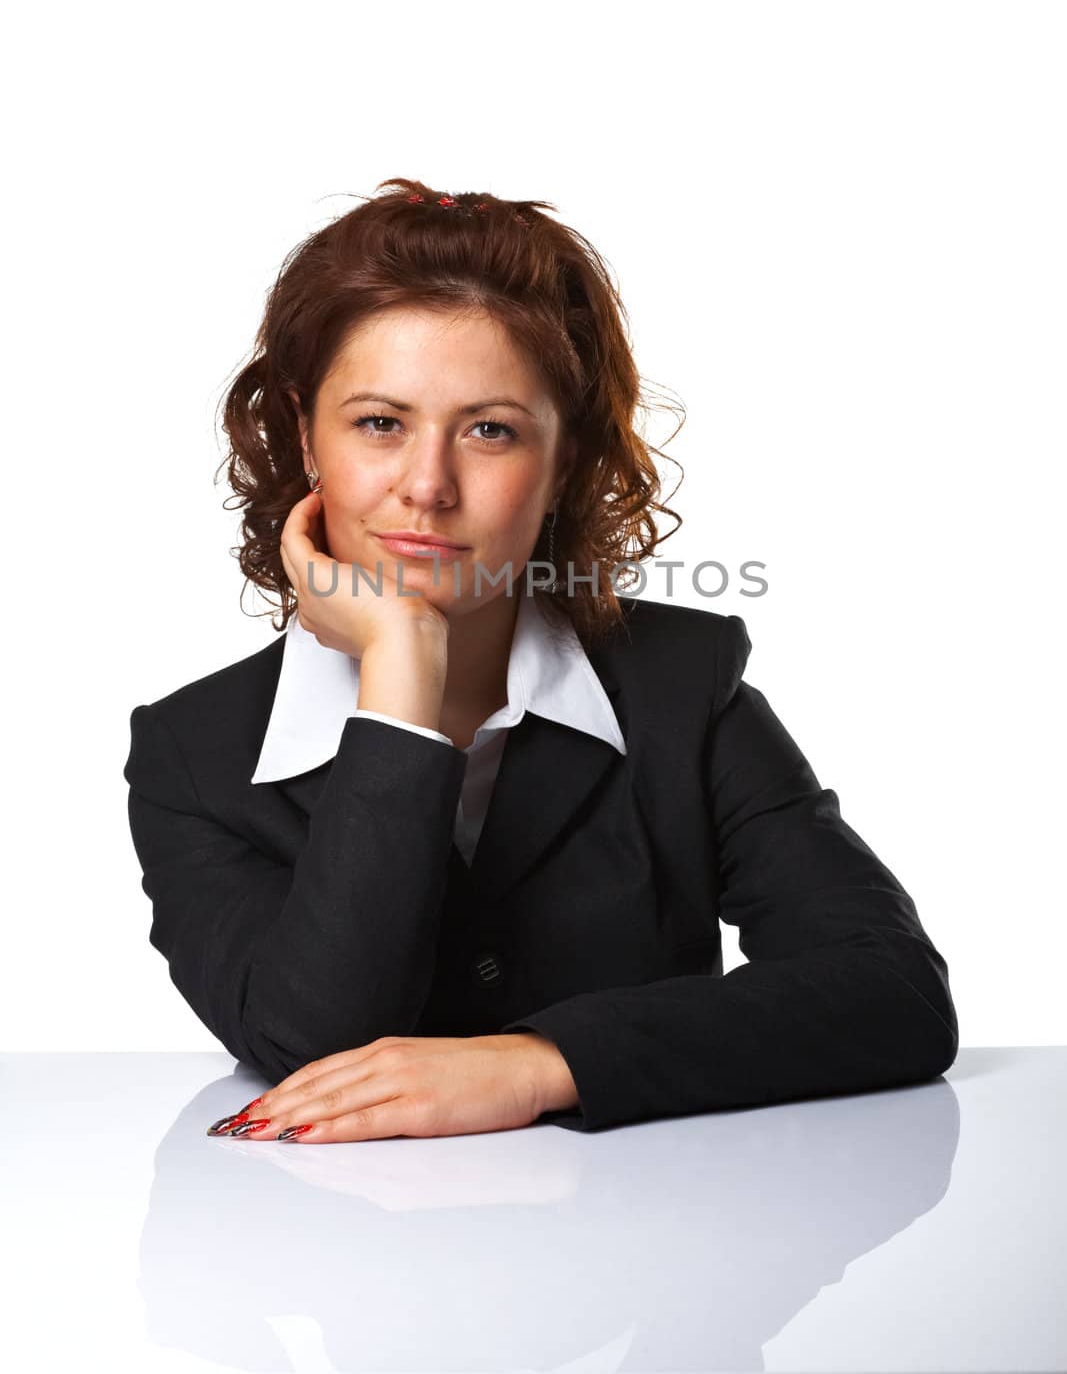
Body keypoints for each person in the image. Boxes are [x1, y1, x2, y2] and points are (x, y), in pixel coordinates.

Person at [123, 177, 959, 1142]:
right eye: (379, 423)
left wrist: (544, 1064)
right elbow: (318, 1042)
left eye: (490, 429)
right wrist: (400, 674)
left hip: (656, 1252)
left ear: (563, 462)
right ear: (308, 437)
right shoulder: (195, 756)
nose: (428, 487)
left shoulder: (682, 686)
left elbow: (890, 990)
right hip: (338, 1263)